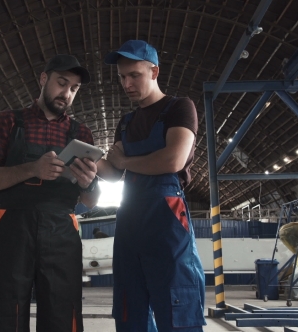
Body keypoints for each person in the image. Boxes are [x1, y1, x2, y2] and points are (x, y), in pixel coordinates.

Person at [0, 54, 100, 332]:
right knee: (4, 312)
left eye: (74, 88)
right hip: (12, 229)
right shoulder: (8, 122)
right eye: (61, 83)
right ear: (44, 79)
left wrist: (89, 182)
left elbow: (90, 202)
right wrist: (32, 168)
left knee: (62, 312)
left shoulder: (82, 135)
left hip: (62, 232)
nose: (66, 93)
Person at [97, 40, 206, 331]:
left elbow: (173, 160)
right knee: (130, 304)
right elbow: (112, 172)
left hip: (166, 212)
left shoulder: (179, 108)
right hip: (130, 214)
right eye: (122, 77)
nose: (127, 83)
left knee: (175, 297)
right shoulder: (126, 122)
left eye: (134, 75)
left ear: (154, 71)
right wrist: (87, 161)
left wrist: (126, 162)